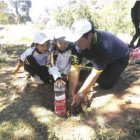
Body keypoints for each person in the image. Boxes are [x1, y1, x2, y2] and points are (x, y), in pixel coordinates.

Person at [66, 19, 129, 108]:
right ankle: (99, 67)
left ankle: (113, 72)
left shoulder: (104, 45)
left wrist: (80, 94)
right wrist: (71, 93)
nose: (75, 43)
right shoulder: (77, 45)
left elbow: (95, 74)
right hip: (101, 58)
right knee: (84, 73)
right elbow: (75, 68)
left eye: (78, 39)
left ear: (90, 35)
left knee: (107, 83)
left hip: (119, 58)